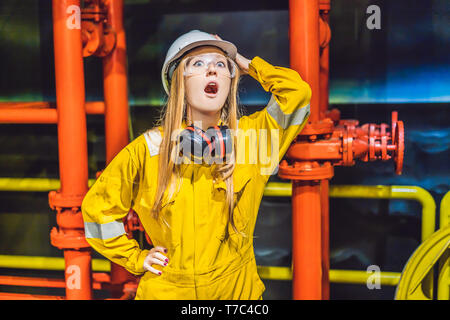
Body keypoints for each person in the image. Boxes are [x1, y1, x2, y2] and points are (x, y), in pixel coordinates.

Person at [81, 30, 311, 300]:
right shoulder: (149, 150)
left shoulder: (252, 142)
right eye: (198, 64)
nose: (212, 70)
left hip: (237, 293)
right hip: (167, 292)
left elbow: (297, 94)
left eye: (220, 64)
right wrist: (135, 258)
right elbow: (96, 212)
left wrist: (245, 63)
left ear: (231, 80)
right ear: (179, 81)